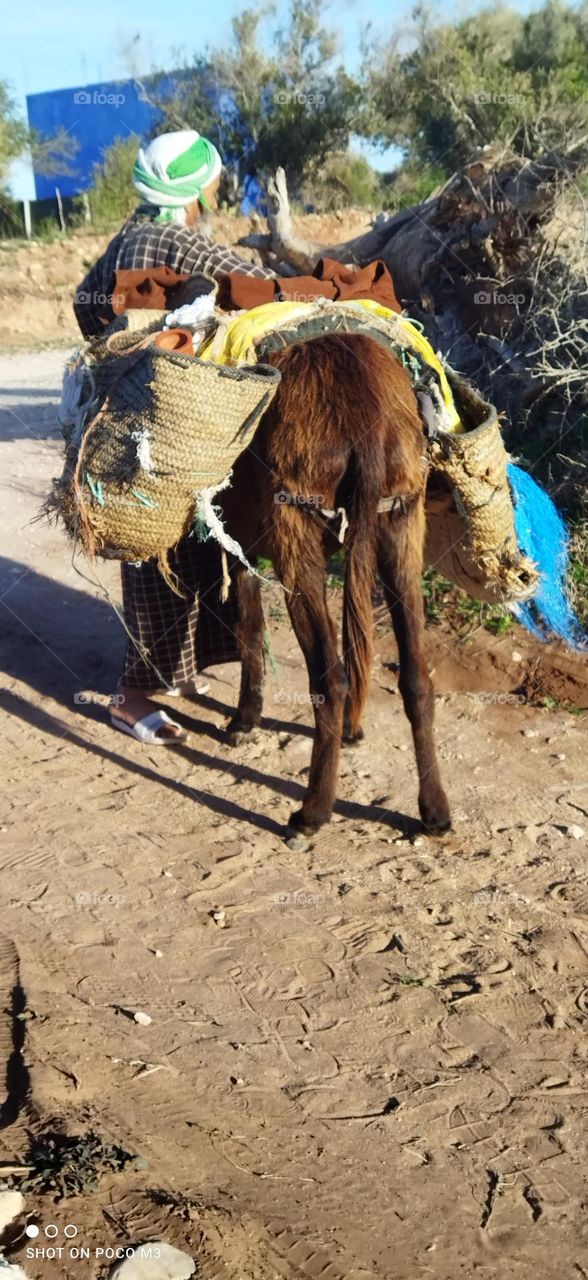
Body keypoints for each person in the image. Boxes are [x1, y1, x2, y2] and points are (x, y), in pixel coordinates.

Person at [74, 130, 272, 743]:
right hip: (158, 424)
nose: (216, 187)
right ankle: (130, 697)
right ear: (196, 186)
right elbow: (252, 281)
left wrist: (123, 339)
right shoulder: (173, 240)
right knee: (155, 550)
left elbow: (84, 304)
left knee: (184, 545)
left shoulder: (132, 232)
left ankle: (174, 671)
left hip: (137, 411)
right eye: (211, 178)